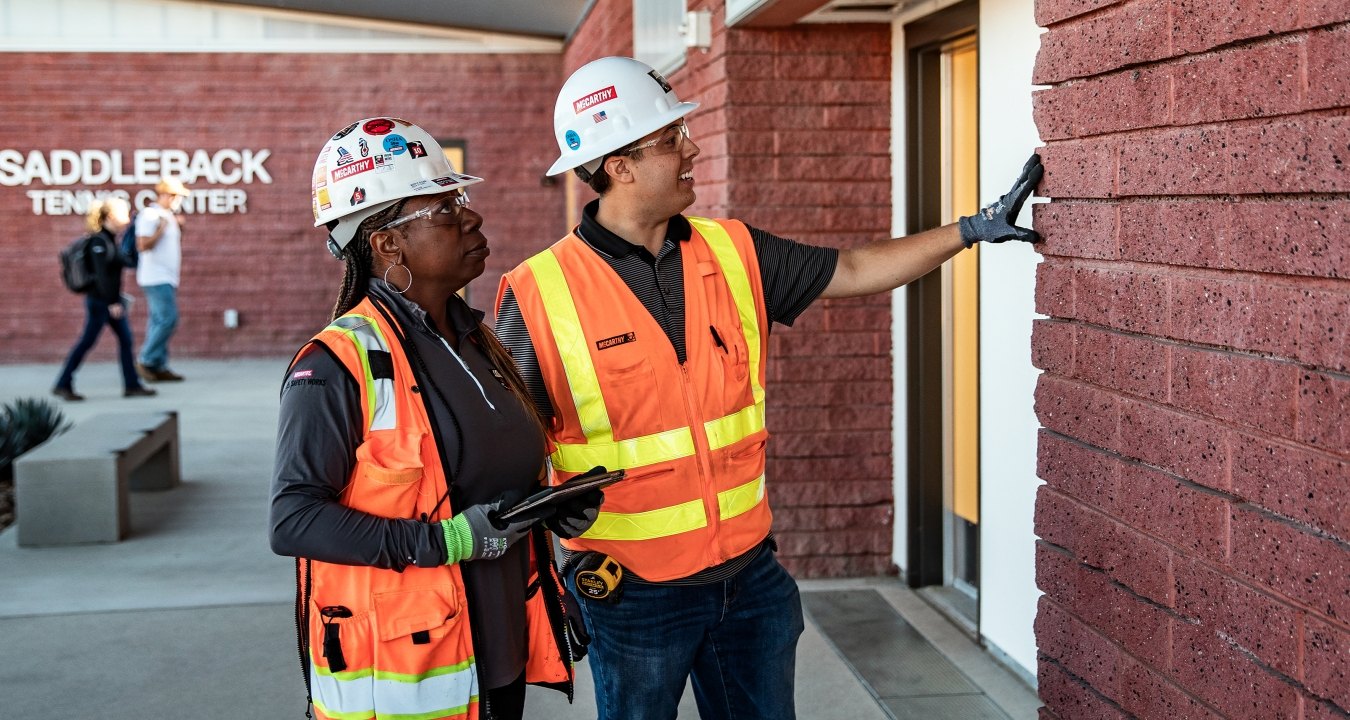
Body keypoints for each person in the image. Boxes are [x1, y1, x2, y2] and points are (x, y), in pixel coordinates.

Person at [495, 56, 1043, 720]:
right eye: (671, 141)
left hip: (748, 581)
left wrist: (969, 230)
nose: (691, 148)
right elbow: (507, 455)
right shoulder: (537, 293)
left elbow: (853, 267)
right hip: (632, 594)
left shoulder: (734, 252)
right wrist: (548, 567)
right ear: (618, 165)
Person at [270, 117, 603, 720]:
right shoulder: (333, 365)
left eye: (463, 201)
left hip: (495, 651)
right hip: (404, 678)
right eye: (445, 209)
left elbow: (482, 481)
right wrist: (442, 542)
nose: (471, 217)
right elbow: (293, 520)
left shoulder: (479, 340)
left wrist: (552, 505)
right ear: (386, 243)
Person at [52, 197, 157, 401]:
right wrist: (113, 302)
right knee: (87, 342)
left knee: (124, 340)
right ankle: (64, 383)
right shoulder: (98, 242)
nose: (127, 217)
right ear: (110, 216)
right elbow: (102, 276)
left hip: (107, 301)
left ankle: (131, 384)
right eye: (123, 213)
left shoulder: (110, 240)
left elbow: (126, 262)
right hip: (100, 302)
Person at [134, 176, 190, 382]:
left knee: (158, 320)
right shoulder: (151, 215)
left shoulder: (168, 216)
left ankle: (158, 365)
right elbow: (142, 245)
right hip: (155, 277)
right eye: (176, 196)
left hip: (167, 277)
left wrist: (178, 228)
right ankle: (147, 359)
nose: (178, 201)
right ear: (165, 195)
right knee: (168, 319)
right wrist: (160, 229)